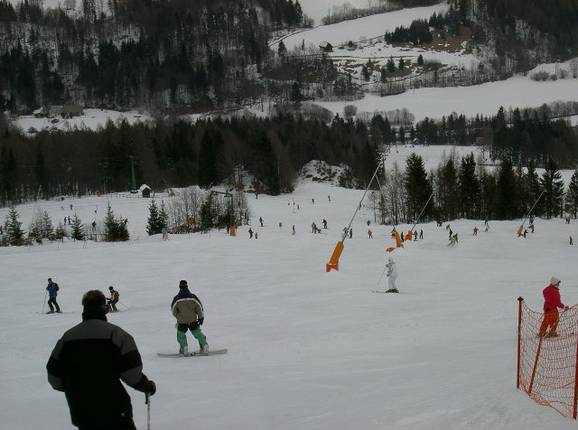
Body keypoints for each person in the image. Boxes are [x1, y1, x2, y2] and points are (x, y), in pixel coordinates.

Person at [47, 290, 155, 430]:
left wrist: (73, 387)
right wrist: (145, 385)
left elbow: (54, 374)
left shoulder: (67, 338)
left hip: (82, 410)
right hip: (114, 410)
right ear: (104, 308)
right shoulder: (116, 334)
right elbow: (131, 372)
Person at [171, 280, 208, 355]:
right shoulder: (193, 297)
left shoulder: (176, 298)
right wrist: (200, 318)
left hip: (182, 321)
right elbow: (199, 307)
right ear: (187, 286)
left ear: (179, 287)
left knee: (180, 335)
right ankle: (204, 345)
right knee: (197, 333)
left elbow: (173, 311)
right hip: (193, 320)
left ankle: (184, 349)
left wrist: (178, 316)